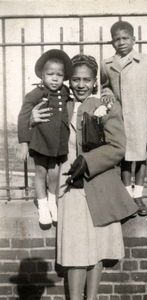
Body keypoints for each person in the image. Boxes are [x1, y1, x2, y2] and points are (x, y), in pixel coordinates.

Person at [30, 54, 138, 300]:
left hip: (98, 185)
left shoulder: (108, 106)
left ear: (95, 82)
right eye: (76, 79)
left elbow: (117, 147)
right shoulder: (59, 104)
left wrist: (88, 161)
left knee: (97, 248)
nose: (80, 85)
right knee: (75, 248)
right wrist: (31, 120)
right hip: (69, 187)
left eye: (87, 80)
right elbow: (38, 130)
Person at [101, 21, 147, 216]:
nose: (121, 43)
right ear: (112, 42)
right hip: (119, 119)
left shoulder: (146, 60)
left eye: (125, 38)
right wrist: (106, 92)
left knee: (141, 157)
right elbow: (104, 86)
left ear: (134, 40)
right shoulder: (107, 64)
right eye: (116, 39)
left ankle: (138, 195)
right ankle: (127, 197)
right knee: (125, 158)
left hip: (140, 118)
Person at [16, 49, 73, 225]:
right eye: (50, 74)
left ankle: (52, 202)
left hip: (58, 142)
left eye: (59, 75)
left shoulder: (65, 91)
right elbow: (23, 116)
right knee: (41, 172)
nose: (55, 78)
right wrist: (24, 143)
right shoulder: (37, 93)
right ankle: (42, 207)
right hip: (41, 141)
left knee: (54, 174)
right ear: (42, 75)